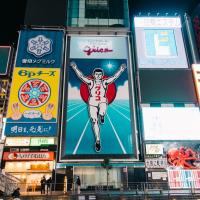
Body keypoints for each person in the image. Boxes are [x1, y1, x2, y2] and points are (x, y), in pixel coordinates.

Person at [70, 62, 126, 152]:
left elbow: (114, 77)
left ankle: (102, 115)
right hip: (92, 103)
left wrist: (121, 69)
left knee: (102, 111)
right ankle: (97, 140)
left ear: (102, 75)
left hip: (102, 101)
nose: (98, 76)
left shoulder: (104, 82)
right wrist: (75, 67)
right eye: (97, 74)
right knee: (94, 121)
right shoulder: (90, 82)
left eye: (100, 74)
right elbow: (81, 77)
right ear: (94, 75)